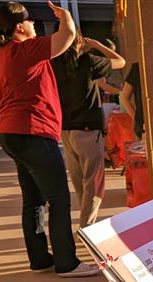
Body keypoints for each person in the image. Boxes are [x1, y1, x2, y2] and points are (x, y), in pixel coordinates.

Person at [0, 1, 97, 277]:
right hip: (32, 133)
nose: (35, 25)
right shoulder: (25, 49)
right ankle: (66, 263)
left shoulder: (3, 55)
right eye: (31, 21)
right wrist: (66, 17)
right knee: (59, 198)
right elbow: (68, 37)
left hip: (12, 133)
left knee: (33, 199)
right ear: (20, 26)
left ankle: (40, 259)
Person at [51, 35, 125, 227]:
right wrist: (97, 44)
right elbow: (121, 61)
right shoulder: (88, 62)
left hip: (66, 131)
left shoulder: (54, 64)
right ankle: (86, 228)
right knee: (94, 184)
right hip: (88, 131)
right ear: (78, 41)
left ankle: (86, 224)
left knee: (80, 183)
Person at [120, 62, 144, 140]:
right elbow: (124, 98)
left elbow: (124, 97)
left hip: (143, 125)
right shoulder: (138, 68)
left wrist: (137, 120)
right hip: (144, 126)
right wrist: (137, 119)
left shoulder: (138, 67)